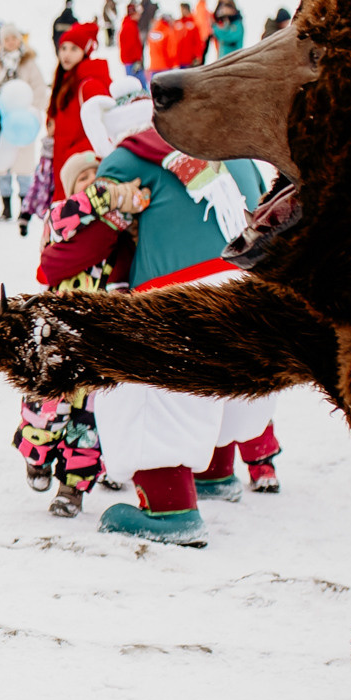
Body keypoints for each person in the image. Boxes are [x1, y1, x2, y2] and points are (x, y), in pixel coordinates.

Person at [87, 131, 281, 545]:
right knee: (220, 385)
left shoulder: (128, 159)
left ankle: (170, 510)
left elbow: (94, 236)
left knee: (142, 388)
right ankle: (215, 474)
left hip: (178, 296)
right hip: (253, 291)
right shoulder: (236, 151)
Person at [13, 153, 149, 518]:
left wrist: (124, 209)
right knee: (46, 406)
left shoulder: (115, 224)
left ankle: (73, 488)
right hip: (57, 332)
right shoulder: (60, 216)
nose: (90, 181)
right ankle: (37, 457)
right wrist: (111, 191)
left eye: (96, 175)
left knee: (87, 421)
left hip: (97, 337)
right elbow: (71, 214)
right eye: (83, 177)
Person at [0, 24, 48, 223]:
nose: (11, 42)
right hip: (2, 121)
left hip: (23, 123)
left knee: (24, 164)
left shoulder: (29, 63)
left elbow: (39, 88)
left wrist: (34, 111)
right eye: (7, 39)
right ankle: (6, 206)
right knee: (3, 163)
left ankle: (24, 205)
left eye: (14, 38)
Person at [44, 21, 114, 208]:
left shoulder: (89, 84)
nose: (66, 54)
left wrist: (74, 155)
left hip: (82, 170)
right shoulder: (66, 81)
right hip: (66, 167)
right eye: (63, 48)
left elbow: (107, 127)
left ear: (85, 51)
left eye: (74, 49)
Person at [118, 1, 145, 81]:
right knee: (138, 87)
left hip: (132, 61)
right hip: (132, 62)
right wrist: (136, 60)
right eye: (138, 13)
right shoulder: (129, 26)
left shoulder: (131, 24)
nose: (140, 15)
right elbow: (130, 46)